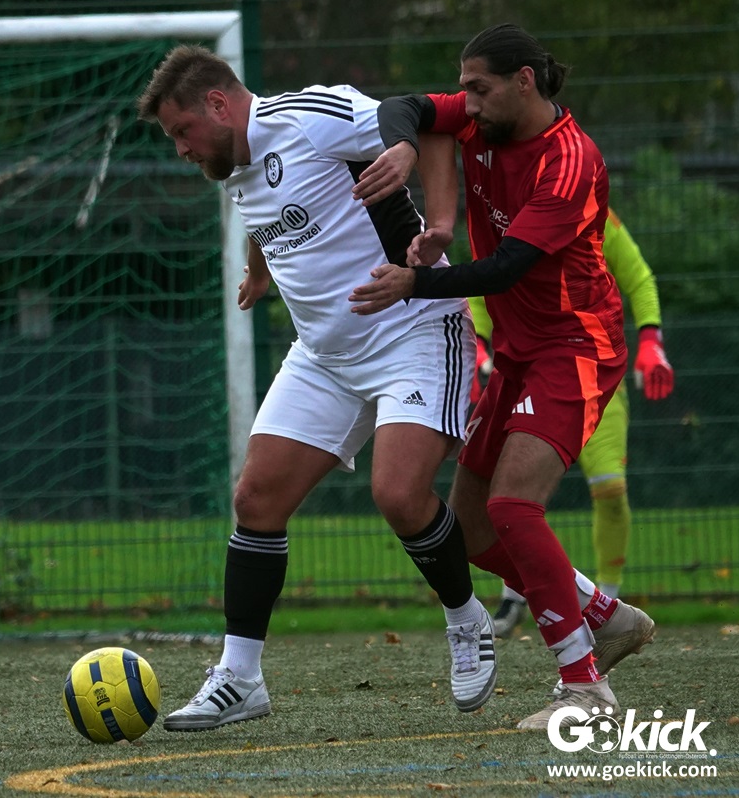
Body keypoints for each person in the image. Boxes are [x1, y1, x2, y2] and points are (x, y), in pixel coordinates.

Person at [136, 44, 498, 731]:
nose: (180, 149)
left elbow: (433, 123)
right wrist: (258, 269)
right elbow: (265, 207)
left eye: (182, 131)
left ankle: (466, 618)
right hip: (324, 355)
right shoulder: (231, 162)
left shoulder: (311, 115)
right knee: (255, 498)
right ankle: (240, 678)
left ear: (218, 104)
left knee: (399, 495)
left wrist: (440, 225)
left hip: (412, 331)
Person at [349, 23, 655, 729]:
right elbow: (404, 108)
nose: (468, 102)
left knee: (515, 507)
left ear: (524, 81)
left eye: (479, 88)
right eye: (464, 88)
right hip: (519, 351)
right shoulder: (481, 116)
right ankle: (605, 616)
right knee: (473, 528)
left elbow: (507, 268)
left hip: (576, 348)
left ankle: (585, 689)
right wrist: (404, 147)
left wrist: (413, 281)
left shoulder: (570, 161)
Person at [475, 209, 675, 636]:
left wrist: (651, 339)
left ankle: (609, 603)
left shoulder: (590, 208)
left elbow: (639, 276)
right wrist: (476, 343)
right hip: (526, 373)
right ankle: (517, 595)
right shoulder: (497, 205)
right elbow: (482, 283)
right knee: (513, 495)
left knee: (610, 489)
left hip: (591, 370)